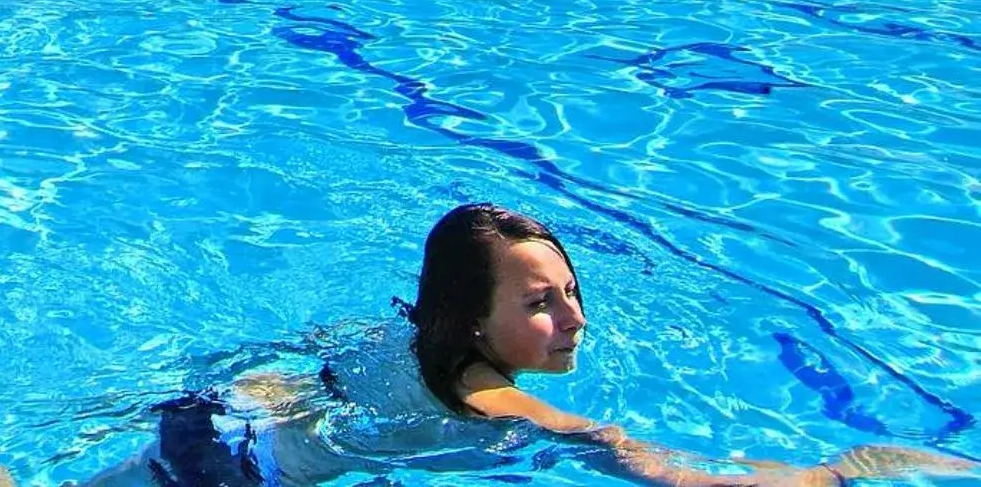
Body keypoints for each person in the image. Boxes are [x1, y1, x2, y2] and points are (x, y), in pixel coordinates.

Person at [91, 204, 973, 487]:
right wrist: (836, 472)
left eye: (572, 292)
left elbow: (324, 357)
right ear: (472, 318)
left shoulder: (416, 328)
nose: (577, 318)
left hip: (230, 404)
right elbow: (630, 456)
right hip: (228, 468)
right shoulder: (494, 396)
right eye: (542, 302)